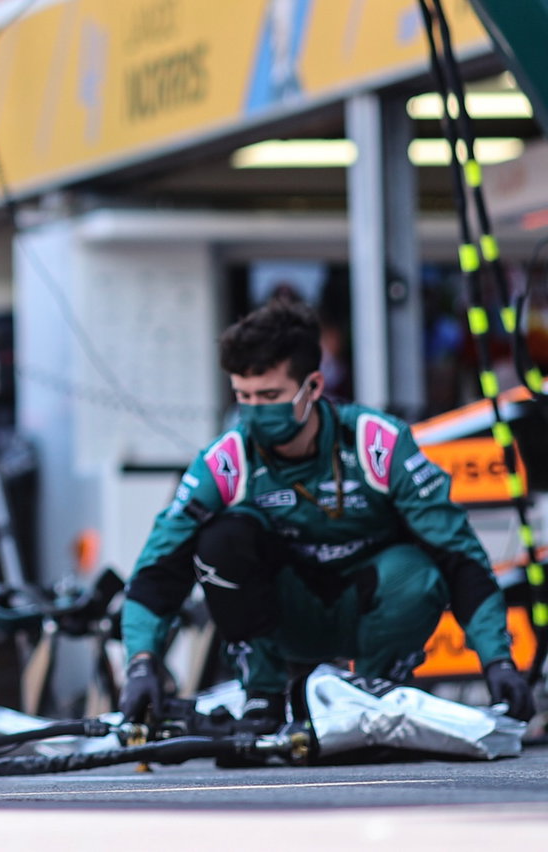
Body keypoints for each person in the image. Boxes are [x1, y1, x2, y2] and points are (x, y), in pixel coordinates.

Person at [119, 297, 535, 729]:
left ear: (314, 387)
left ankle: (376, 694)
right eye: (244, 396)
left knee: (419, 569)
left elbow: (459, 553)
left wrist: (498, 662)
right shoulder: (226, 461)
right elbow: (158, 568)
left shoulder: (378, 443)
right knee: (220, 541)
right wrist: (142, 664)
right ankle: (262, 696)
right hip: (284, 617)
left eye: (270, 395)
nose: (256, 410)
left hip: (372, 610)